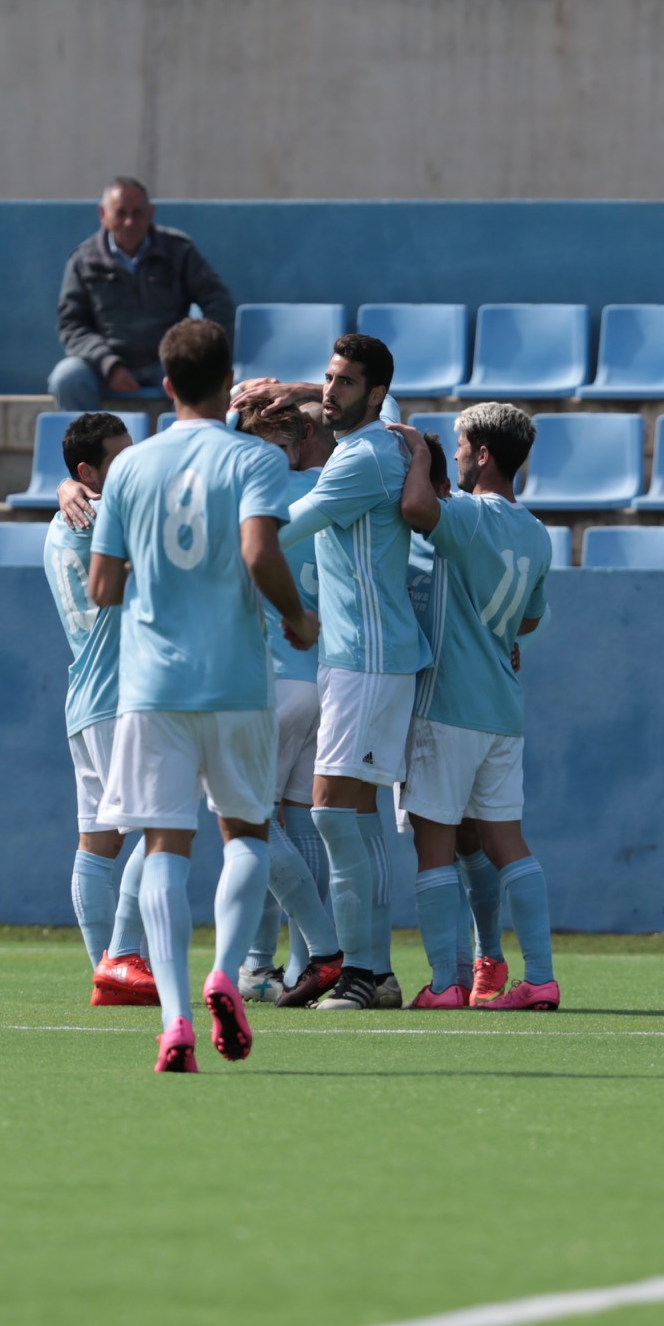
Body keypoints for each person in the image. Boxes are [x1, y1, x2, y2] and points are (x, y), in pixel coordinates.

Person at [88, 319, 319, 1072]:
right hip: (236, 679)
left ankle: (176, 1020)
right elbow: (258, 550)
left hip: (153, 685)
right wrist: (297, 616)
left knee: (164, 844)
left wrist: (151, 570)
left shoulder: (130, 466)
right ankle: (225, 971)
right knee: (246, 833)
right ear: (229, 382)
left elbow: (103, 586)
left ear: (166, 385)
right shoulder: (256, 457)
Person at [276, 335, 433, 1011]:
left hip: (367, 660)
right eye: (328, 378)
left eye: (345, 382)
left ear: (375, 394)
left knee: (334, 814)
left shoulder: (362, 458)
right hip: (360, 659)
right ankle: (379, 974)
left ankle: (360, 973)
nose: (330, 391)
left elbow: (280, 528)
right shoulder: (377, 442)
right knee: (356, 821)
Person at [389, 404, 558, 1011]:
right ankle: (540, 978)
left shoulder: (466, 515)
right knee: (508, 842)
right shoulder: (536, 532)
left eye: (460, 445)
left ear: (483, 454)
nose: (455, 453)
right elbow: (530, 618)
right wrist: (496, 632)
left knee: (433, 848)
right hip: (501, 713)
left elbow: (415, 507)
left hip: (447, 706)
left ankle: (445, 984)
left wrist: (416, 452)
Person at [42, 412, 159, 1007]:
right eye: (122, 458)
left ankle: (107, 973)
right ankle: (121, 956)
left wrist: (65, 486)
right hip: (120, 698)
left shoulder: (60, 523)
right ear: (89, 472)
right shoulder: (107, 520)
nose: (135, 465)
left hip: (86, 697)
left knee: (98, 841)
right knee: (164, 826)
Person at [232, 404, 344, 1008]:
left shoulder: (249, 495)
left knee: (252, 827)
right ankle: (297, 967)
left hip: (271, 678)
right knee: (302, 826)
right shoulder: (331, 485)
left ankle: (274, 961)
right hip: (324, 678)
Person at [49, 177, 236, 415]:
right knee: (67, 378)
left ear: (151, 213)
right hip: (105, 367)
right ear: (103, 214)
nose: (129, 222)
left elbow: (217, 302)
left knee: (201, 375)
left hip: (168, 361)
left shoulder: (179, 250)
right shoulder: (83, 260)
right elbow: (71, 324)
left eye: (137, 213)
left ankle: (190, 437)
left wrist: (197, 349)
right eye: (120, 213)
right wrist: (109, 365)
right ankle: (91, 439)